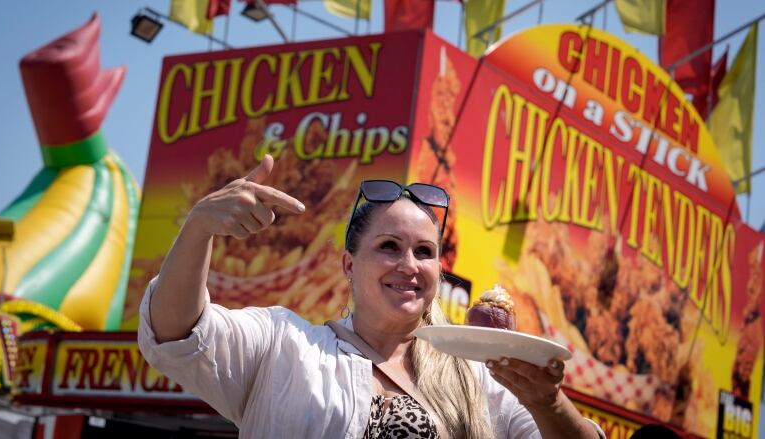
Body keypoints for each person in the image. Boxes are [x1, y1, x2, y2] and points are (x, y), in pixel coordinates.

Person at [138, 155, 604, 438]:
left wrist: (547, 402)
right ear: (348, 264)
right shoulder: (285, 347)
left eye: (425, 252)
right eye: (388, 247)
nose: (409, 265)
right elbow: (176, 333)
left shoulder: (477, 379)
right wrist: (199, 228)